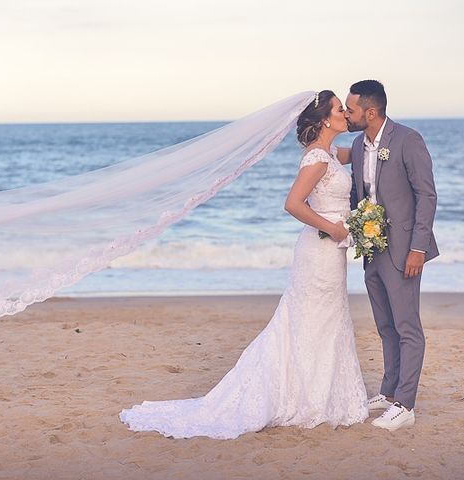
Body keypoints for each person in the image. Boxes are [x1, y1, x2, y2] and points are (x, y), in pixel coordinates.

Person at [119, 90, 369, 439]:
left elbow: (359, 155)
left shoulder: (330, 154)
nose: (346, 114)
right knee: (310, 320)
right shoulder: (317, 159)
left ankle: (322, 396)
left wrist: (378, 143)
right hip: (320, 248)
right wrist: (333, 227)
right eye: (340, 109)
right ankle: (305, 398)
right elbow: (293, 204)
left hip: (331, 252)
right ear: (326, 119)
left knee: (326, 320)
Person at [345, 80, 438, 431]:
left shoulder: (407, 140)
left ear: (371, 111)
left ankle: (405, 404)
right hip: (372, 250)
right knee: (385, 326)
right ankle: (388, 391)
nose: (347, 114)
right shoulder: (356, 145)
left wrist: (417, 248)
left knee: (406, 326)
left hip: (403, 251)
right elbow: (359, 193)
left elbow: (426, 196)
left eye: (351, 109)